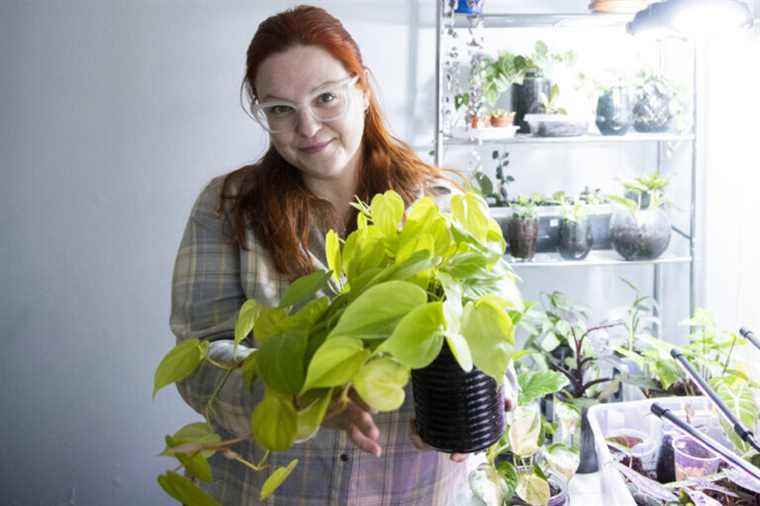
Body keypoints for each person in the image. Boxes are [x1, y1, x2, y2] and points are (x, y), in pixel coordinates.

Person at [170, 5, 515, 504]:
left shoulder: (441, 205)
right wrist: (298, 395)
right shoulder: (229, 209)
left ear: (362, 88)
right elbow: (199, 359)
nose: (307, 127)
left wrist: (492, 398)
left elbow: (495, 333)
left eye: (325, 98)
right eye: (280, 109)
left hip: (411, 487)